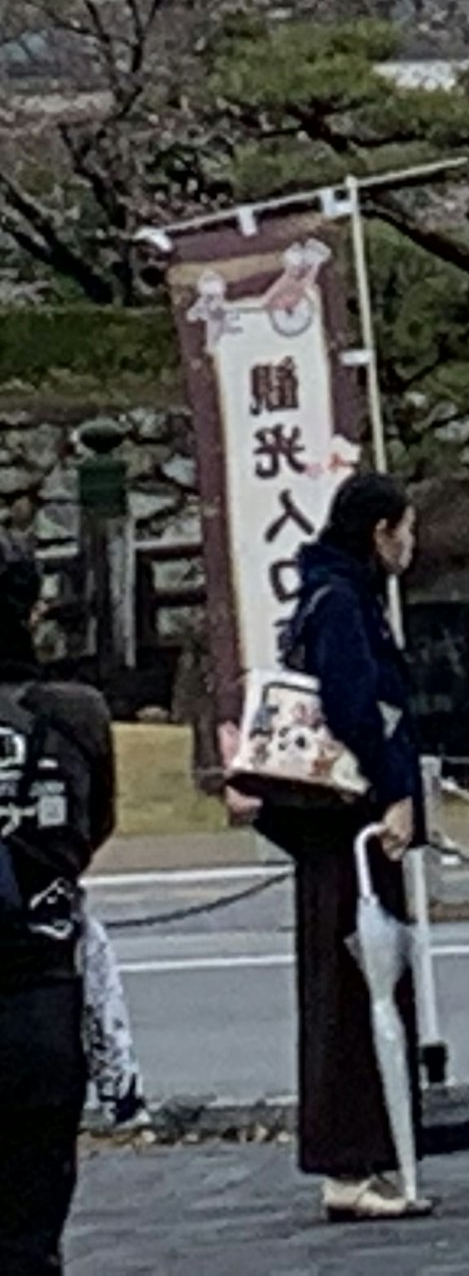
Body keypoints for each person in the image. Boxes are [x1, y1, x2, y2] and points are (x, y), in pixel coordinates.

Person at [270, 472, 432, 1222]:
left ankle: (363, 1154)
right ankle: (349, 1160)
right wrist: (395, 788)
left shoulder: (326, 593)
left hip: (330, 820)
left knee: (352, 981)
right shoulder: (345, 604)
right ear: (380, 531)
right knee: (356, 985)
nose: (412, 541)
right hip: (350, 819)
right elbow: (357, 705)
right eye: (406, 527)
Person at [0, 543, 114, 1276]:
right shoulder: (77, 714)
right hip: (40, 978)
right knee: (32, 1215)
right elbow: (94, 826)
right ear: (35, 609)